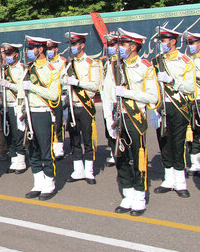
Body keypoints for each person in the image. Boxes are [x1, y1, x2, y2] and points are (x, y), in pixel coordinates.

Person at [102, 29, 159, 216]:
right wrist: (109, 118)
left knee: (138, 157)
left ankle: (139, 196)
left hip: (135, 117)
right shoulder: (114, 66)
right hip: (117, 117)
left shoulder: (145, 67)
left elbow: (152, 97)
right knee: (121, 157)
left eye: (122, 45)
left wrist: (127, 93)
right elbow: (107, 93)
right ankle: (127, 195)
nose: (117, 48)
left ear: (133, 47)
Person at [152, 28, 194, 198]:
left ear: (173, 41)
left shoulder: (185, 61)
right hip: (161, 107)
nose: (161, 44)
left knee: (178, 143)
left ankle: (180, 182)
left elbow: (191, 88)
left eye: (164, 40)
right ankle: (168, 179)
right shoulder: (156, 61)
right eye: (160, 41)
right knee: (164, 142)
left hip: (178, 107)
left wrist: (172, 80)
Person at [20, 36, 61, 201]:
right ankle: (38, 183)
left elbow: (53, 95)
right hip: (29, 112)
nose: (29, 52)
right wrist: (19, 113)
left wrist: (34, 87)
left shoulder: (51, 70)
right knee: (32, 150)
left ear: (40, 49)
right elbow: (20, 92)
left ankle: (49, 183)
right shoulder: (28, 69)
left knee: (45, 149)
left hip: (43, 113)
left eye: (32, 48)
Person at [63, 32, 102, 185]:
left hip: (85, 105)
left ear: (82, 45)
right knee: (74, 139)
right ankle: (77, 170)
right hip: (72, 106)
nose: (72, 47)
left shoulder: (92, 63)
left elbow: (95, 86)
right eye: (71, 44)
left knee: (88, 138)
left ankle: (89, 171)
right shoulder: (68, 64)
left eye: (74, 44)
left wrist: (78, 83)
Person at [0, 43, 28, 174]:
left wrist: (9, 85)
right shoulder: (3, 69)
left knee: (18, 134)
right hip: (5, 105)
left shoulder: (22, 68)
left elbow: (22, 87)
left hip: (16, 105)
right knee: (7, 134)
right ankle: (14, 159)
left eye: (9, 54)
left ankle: (21, 161)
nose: (7, 57)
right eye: (5, 54)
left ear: (16, 54)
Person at [100, 33, 119, 167]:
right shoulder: (105, 62)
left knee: (122, 130)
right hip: (107, 101)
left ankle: (125, 153)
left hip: (119, 101)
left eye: (113, 45)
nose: (110, 48)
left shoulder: (121, 63)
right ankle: (114, 152)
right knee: (109, 130)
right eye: (108, 45)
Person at [46, 39, 67, 159]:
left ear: (56, 49)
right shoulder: (44, 63)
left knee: (58, 123)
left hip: (58, 96)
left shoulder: (62, 62)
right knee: (49, 123)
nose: (49, 51)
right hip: (46, 97)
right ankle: (50, 146)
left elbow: (64, 81)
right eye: (47, 49)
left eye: (51, 49)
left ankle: (59, 148)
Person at [185, 31, 200, 177]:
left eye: (193, 43)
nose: (191, 46)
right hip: (191, 100)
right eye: (189, 43)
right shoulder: (187, 60)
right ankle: (195, 162)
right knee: (192, 132)